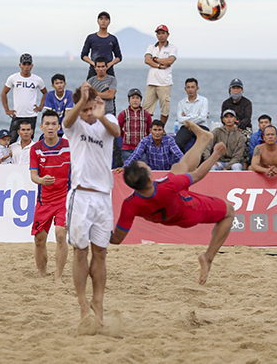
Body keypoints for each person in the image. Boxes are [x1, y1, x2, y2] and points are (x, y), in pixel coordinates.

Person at [111, 120, 235, 286]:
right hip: (188, 210)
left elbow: (117, 239)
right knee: (229, 211)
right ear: (149, 178)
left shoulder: (129, 203)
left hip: (168, 206)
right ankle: (208, 256)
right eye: (145, 166)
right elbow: (198, 175)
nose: (145, 164)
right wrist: (216, 154)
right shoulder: (167, 187)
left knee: (178, 167)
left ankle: (203, 139)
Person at [63, 83, 120, 332]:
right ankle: (82, 303)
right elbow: (66, 122)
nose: (88, 113)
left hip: (103, 196)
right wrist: (81, 102)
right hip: (81, 195)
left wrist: (99, 115)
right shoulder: (75, 123)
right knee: (80, 252)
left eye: (90, 108)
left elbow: (116, 132)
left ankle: (98, 300)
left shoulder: (106, 118)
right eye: (84, 109)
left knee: (101, 253)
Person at [29, 110, 71, 283]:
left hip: (64, 199)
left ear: (59, 126)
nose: (51, 127)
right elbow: (33, 176)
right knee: (39, 240)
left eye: (54, 124)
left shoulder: (69, 146)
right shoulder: (35, 149)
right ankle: (42, 274)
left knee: (61, 235)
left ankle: (58, 276)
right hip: (44, 201)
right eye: (47, 124)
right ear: (41, 127)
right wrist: (41, 180)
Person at [1, 53, 47, 144]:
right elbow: (4, 93)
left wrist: (40, 107)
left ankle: (28, 158)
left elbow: (45, 93)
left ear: (32, 66)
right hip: (17, 115)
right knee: (12, 141)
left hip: (31, 115)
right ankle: (11, 158)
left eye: (28, 64)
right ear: (20, 65)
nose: (26, 67)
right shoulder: (13, 78)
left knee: (28, 142)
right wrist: (7, 110)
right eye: (24, 64)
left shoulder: (37, 79)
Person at [87, 57, 121, 167]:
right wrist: (102, 93)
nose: (101, 69)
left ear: (107, 67)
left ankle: (119, 166)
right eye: (98, 66)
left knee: (114, 142)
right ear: (95, 67)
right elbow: (88, 97)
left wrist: (95, 93)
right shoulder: (91, 81)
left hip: (108, 114)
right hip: (94, 115)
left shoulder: (112, 79)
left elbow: (111, 95)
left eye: (103, 66)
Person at [142, 24, 177, 124]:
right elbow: (147, 60)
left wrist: (155, 59)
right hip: (152, 81)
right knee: (146, 108)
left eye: (163, 33)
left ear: (168, 34)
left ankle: (162, 128)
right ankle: (148, 129)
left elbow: (170, 60)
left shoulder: (172, 48)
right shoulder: (152, 47)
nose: (161, 35)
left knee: (165, 108)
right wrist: (159, 66)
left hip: (165, 82)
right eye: (159, 33)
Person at [118, 120, 183, 171]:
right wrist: (125, 167)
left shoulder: (169, 140)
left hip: (167, 172)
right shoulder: (145, 141)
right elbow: (136, 155)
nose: (157, 133)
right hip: (152, 173)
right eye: (155, 130)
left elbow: (179, 155)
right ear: (150, 131)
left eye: (159, 130)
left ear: (163, 131)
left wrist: (185, 166)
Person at [80, 11, 122, 78]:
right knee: (90, 88)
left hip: (109, 71)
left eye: (106, 19)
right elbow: (83, 55)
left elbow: (119, 57)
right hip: (93, 71)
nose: (103, 21)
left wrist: (109, 64)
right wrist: (94, 64)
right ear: (98, 21)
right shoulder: (91, 38)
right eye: (101, 19)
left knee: (110, 88)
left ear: (109, 22)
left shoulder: (112, 39)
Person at [175, 78, 209, 153]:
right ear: (185, 89)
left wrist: (186, 118)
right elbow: (180, 119)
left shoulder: (204, 100)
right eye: (188, 87)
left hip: (201, 126)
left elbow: (203, 118)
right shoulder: (181, 103)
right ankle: (185, 160)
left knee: (205, 144)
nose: (190, 89)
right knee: (178, 142)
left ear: (197, 88)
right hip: (187, 127)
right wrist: (197, 116)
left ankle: (202, 163)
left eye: (193, 87)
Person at [118, 88, 152, 163]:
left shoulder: (146, 114)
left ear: (140, 100)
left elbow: (149, 130)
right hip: (127, 149)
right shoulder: (123, 114)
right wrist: (125, 136)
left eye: (137, 98)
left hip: (142, 149)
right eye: (132, 98)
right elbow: (118, 129)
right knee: (127, 171)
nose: (135, 100)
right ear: (129, 100)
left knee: (142, 171)